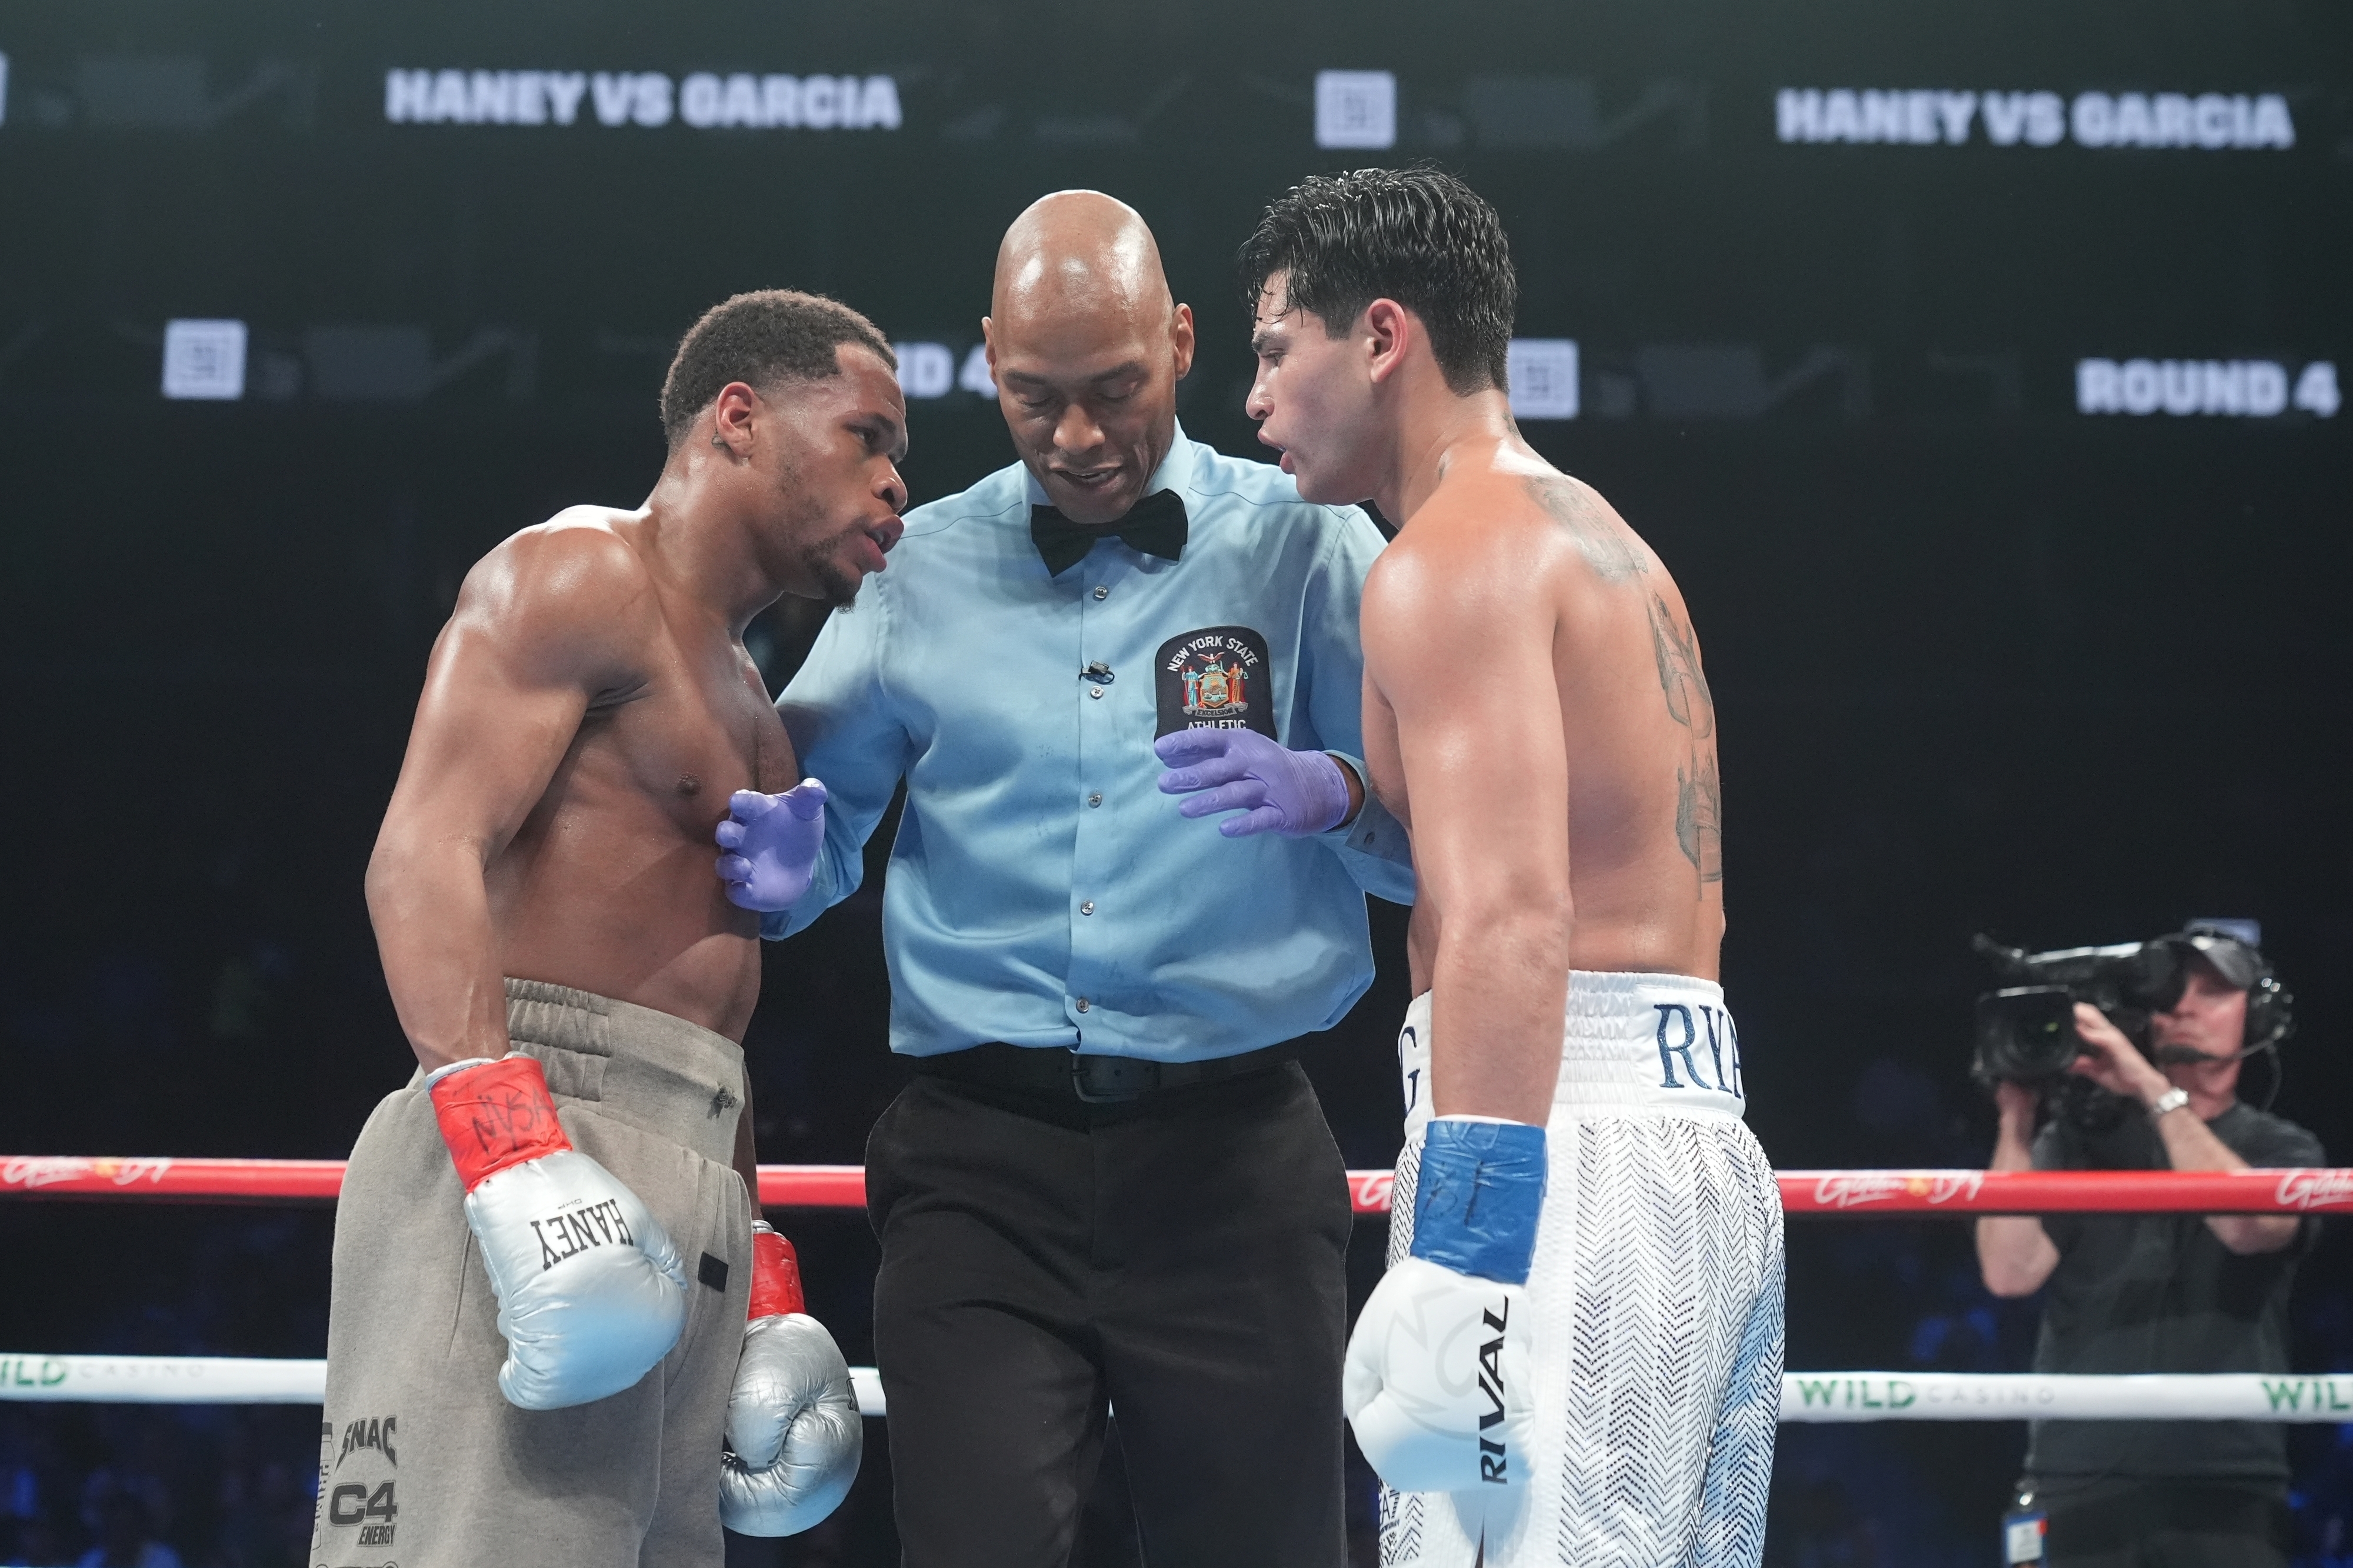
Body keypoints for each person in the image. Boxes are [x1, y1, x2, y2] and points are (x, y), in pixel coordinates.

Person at [728, 190, 1414, 1567]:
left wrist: (1335, 790)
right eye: (1036, 396)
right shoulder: (913, 567)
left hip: (1233, 1158)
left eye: (1114, 389)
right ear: (988, 358)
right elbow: (801, 847)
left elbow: (1431, 844)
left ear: (1181, 343)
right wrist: (788, 868)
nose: (1079, 436)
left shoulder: (1305, 543)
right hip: (978, 1166)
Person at [1234, 167, 1784, 1565]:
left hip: (1551, 1149)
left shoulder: (1448, 560)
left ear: (1380, 335)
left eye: (1275, 350)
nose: (1254, 400)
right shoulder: (1593, 535)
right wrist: (1337, 793)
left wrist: (1464, 1256)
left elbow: (1512, 913)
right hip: (1683, 1143)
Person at [325, 290, 898, 1567]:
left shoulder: (754, 705)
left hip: (686, 1163)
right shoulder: (578, 574)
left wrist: (756, 1264)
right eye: (865, 436)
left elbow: (706, 1019)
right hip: (526, 1121)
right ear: (738, 417)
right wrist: (511, 1153)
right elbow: (420, 854)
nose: (893, 481)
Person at [1976, 922, 2323, 1567]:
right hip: (2074, 1480)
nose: (2185, 1007)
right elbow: (2008, 1271)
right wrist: (2017, 1117)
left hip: (2222, 1490)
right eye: (2171, 994)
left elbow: (2248, 1226)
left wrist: (2148, 1085)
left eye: (2213, 992)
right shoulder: (2079, 1141)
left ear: (2257, 1016)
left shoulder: (2281, 1148)